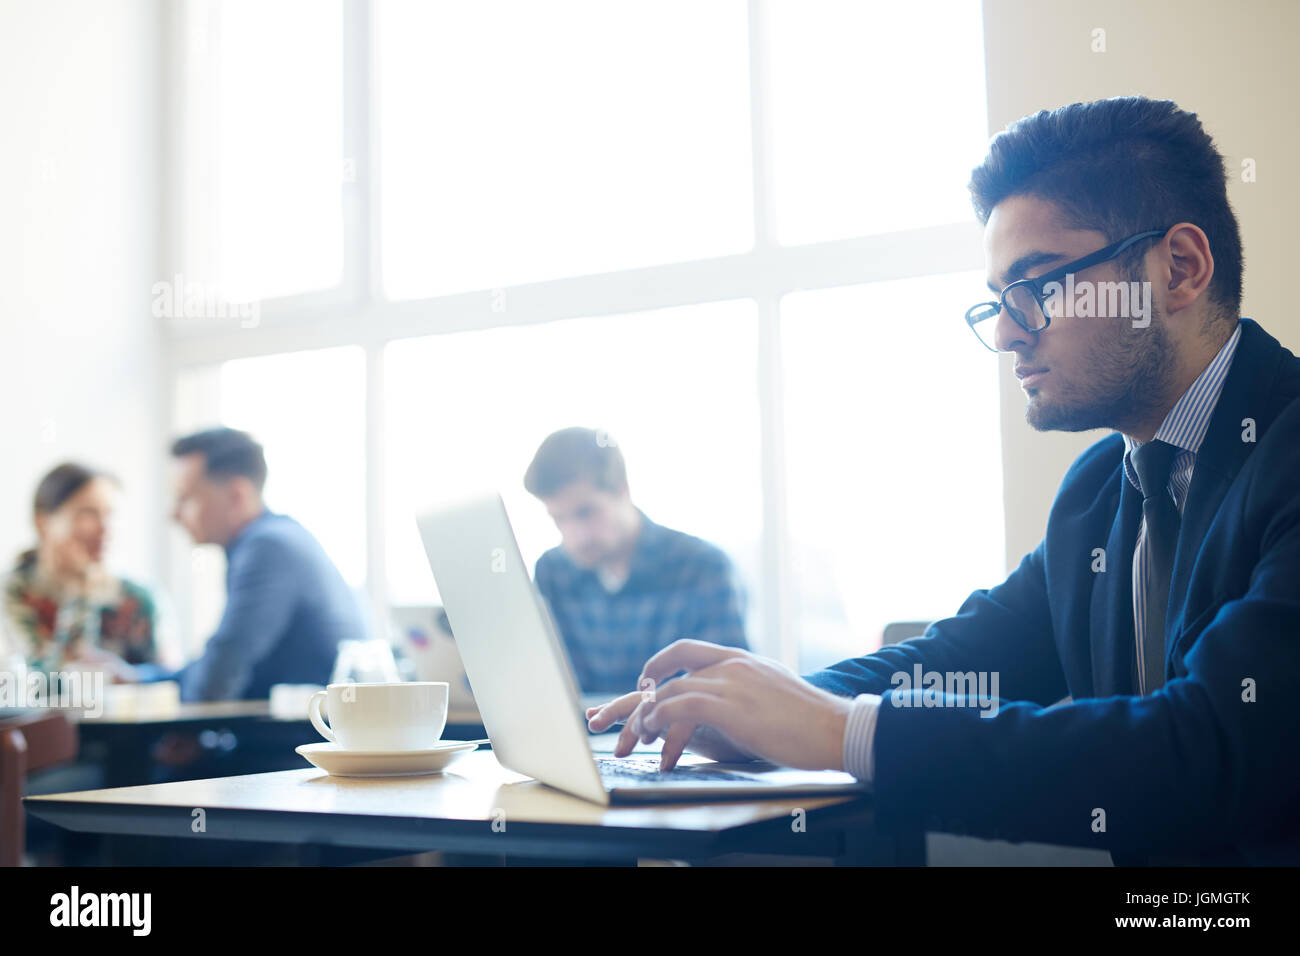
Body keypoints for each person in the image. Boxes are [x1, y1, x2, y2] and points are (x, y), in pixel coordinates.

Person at [588, 96, 1300, 866]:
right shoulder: (1101, 488)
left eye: (1037, 284)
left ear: (1180, 269)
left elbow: (1210, 749)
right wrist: (743, 702)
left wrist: (831, 730)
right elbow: (964, 662)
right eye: (998, 299)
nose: (1005, 331)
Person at [524, 427, 749, 694]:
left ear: (622, 491)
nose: (575, 537)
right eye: (558, 518)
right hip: (586, 733)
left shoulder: (702, 567)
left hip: (677, 734)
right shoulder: (552, 572)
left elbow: (729, 693)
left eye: (585, 513)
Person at [170, 428, 363, 700]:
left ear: (237, 496)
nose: (174, 515)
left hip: (307, 732)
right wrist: (146, 678)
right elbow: (217, 660)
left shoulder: (268, 548)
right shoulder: (274, 538)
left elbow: (222, 668)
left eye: (186, 498)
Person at [2, 463, 160, 684]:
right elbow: (36, 685)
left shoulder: (138, 598)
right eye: (88, 513)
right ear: (43, 522)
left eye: (110, 514)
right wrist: (81, 593)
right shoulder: (13, 592)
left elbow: (166, 682)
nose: (105, 528)